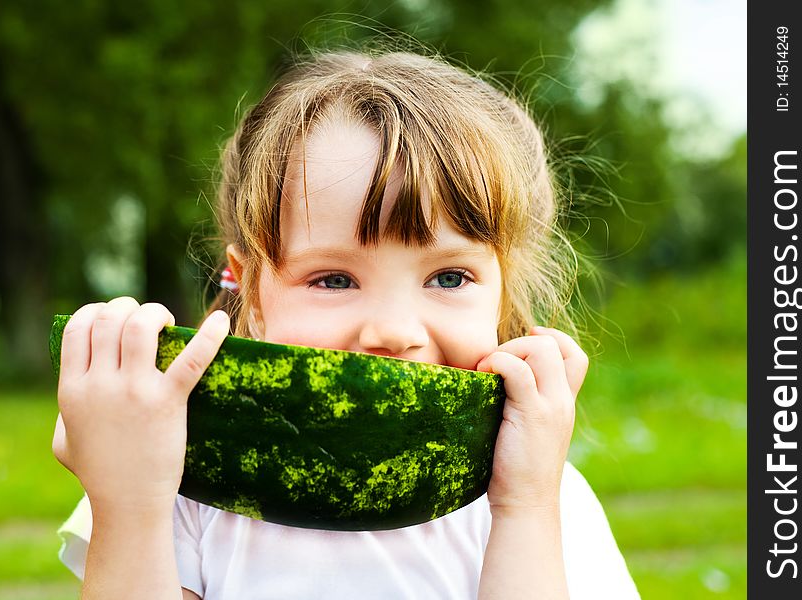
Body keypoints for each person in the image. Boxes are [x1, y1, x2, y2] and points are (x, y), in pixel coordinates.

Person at [52, 47, 640, 599]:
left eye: (450, 278)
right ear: (250, 290)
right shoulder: (180, 483)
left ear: (502, 289)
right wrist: (127, 503)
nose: (391, 330)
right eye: (334, 280)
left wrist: (525, 507)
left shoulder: (543, 495)